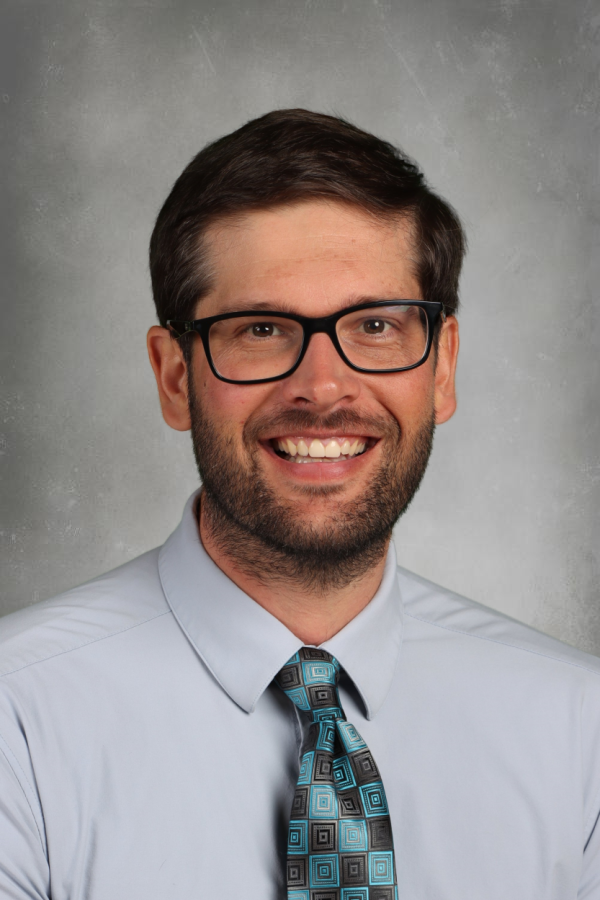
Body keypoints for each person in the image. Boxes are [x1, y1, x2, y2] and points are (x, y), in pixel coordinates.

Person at [0, 109, 599, 900]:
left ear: (442, 368)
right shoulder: (17, 720)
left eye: (376, 325)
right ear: (175, 377)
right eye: (261, 329)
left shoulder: (577, 727)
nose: (322, 387)